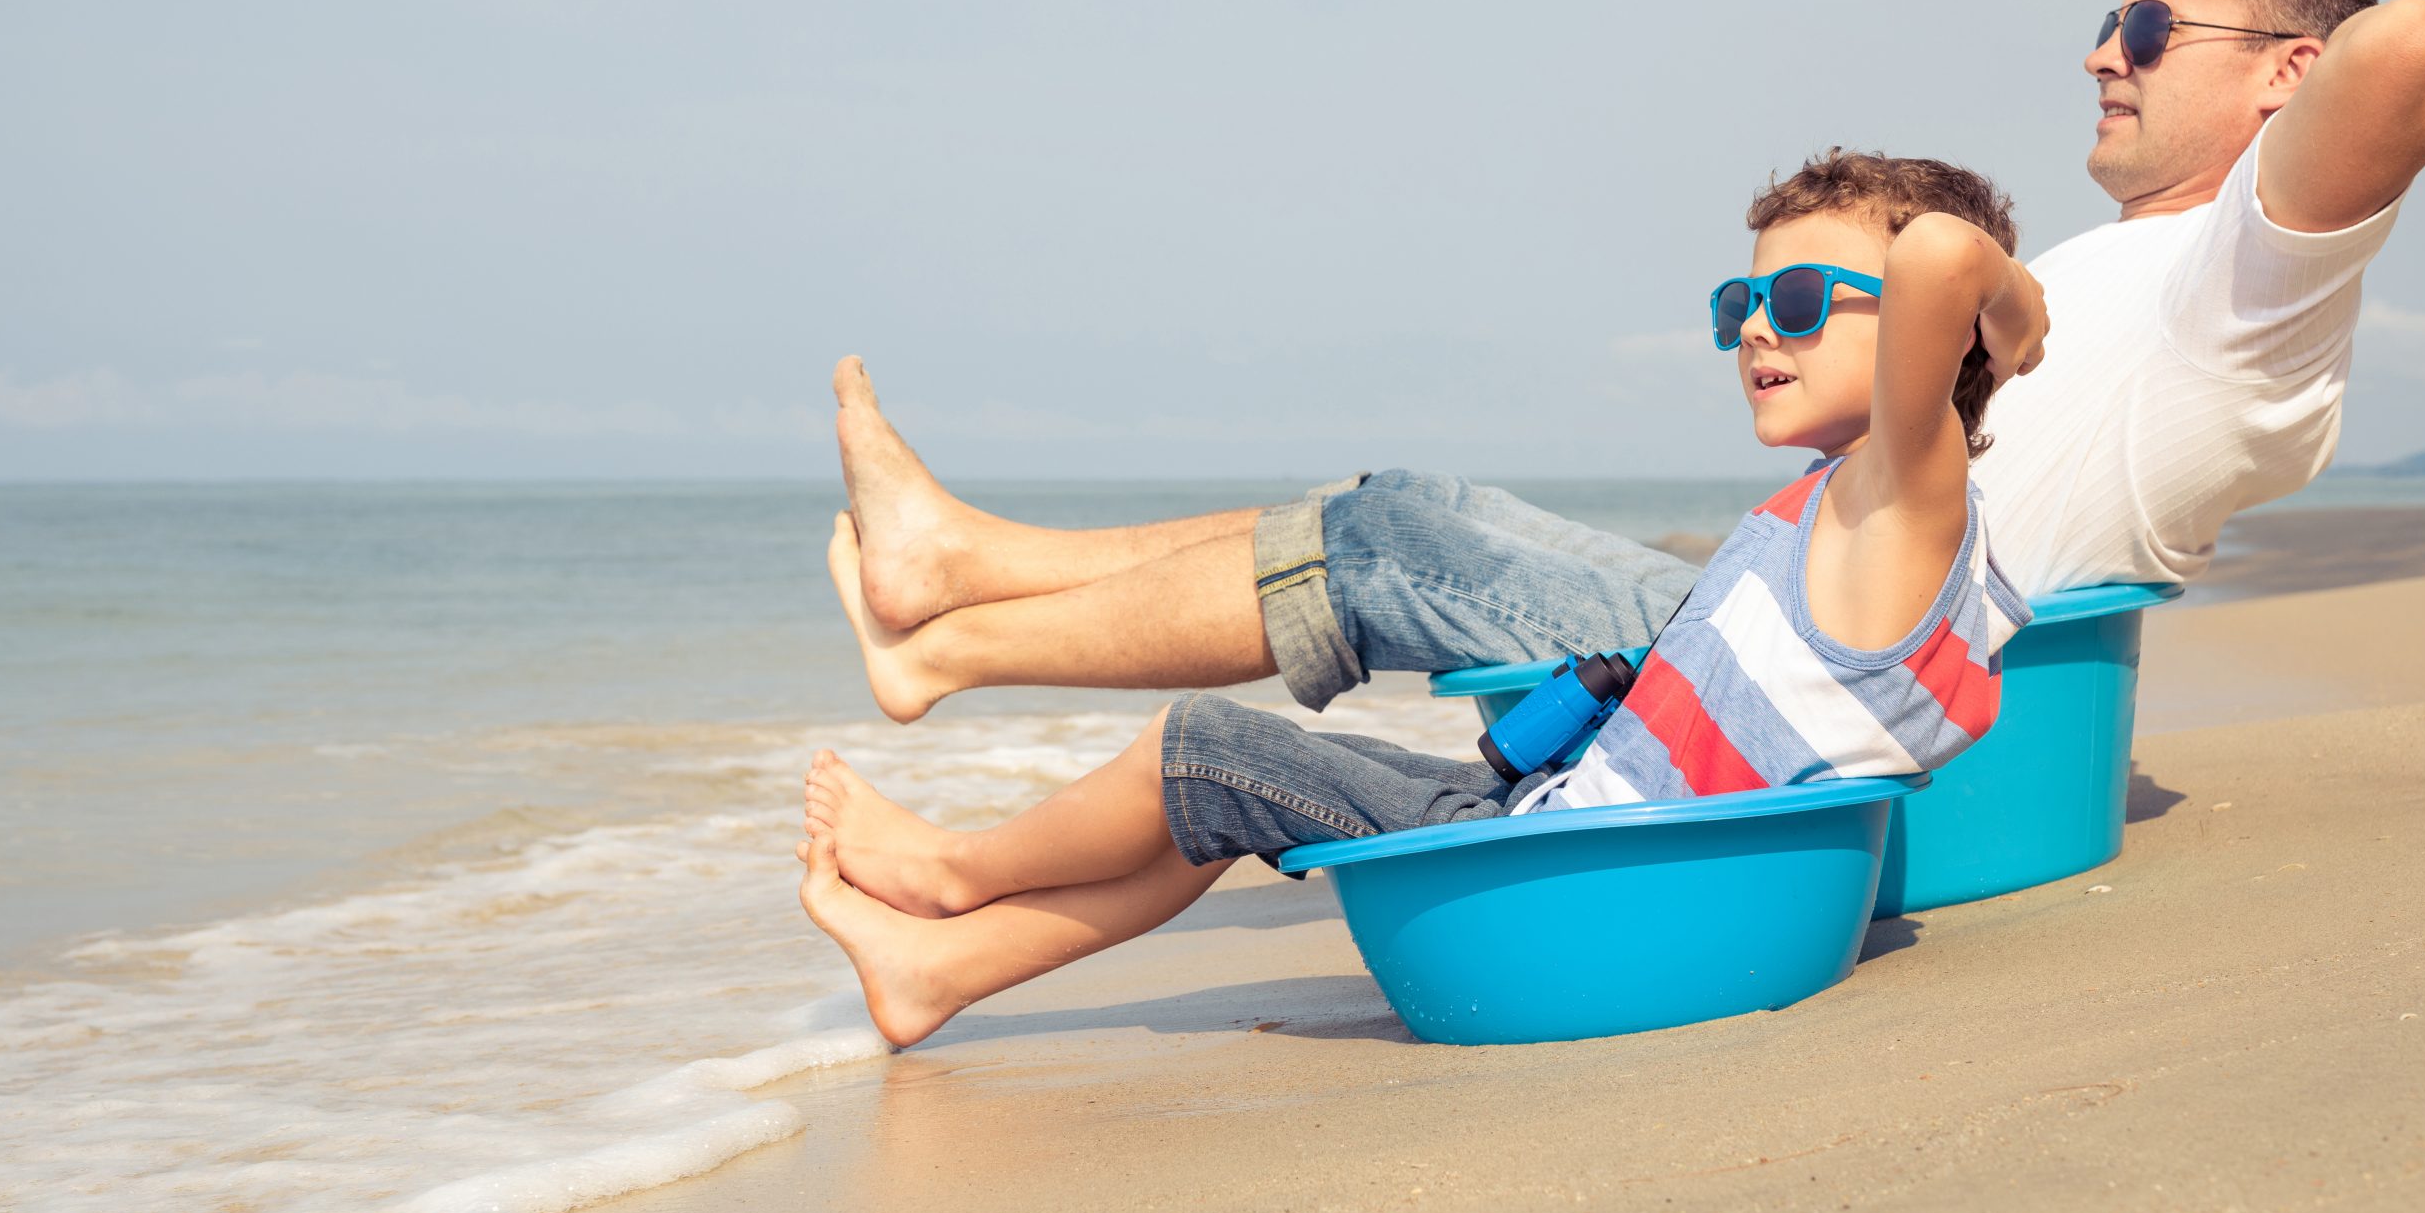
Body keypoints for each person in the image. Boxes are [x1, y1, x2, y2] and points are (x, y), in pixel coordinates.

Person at [826, 0, 2425, 722]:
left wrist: (2316, 95)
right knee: (1412, 511)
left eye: (2148, 24)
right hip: (1817, 624)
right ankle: (962, 591)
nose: (2103, 51)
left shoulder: (2250, 288)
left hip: (1840, 681)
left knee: (1400, 536)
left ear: (2281, 73)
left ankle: (959, 618)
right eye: (2108, 19)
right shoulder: (2156, 267)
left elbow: (2414, 55)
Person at [800, 154, 2045, 1046]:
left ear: (1928, 349)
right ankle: (939, 969)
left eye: (1796, 304)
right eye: (1738, 306)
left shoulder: (1899, 494)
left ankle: (954, 877)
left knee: (1203, 748)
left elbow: (1939, 255)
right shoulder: (1852, 505)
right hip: (1562, 830)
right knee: (1242, 807)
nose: (1753, 335)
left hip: (1577, 889)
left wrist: (2013, 314)